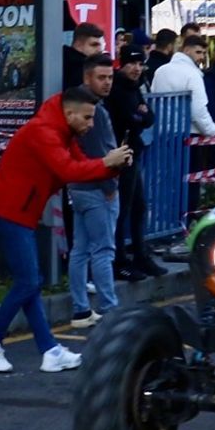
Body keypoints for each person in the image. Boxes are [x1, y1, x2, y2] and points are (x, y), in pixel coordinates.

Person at [0, 86, 134, 373]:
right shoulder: (45, 132)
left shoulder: (61, 130)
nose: (90, 124)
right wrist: (107, 163)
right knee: (28, 282)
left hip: (19, 211)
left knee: (30, 283)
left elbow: (80, 165)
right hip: (10, 211)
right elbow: (69, 171)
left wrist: (113, 167)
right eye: (86, 118)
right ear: (69, 113)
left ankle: (49, 350)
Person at [68, 54, 121, 328]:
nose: (107, 83)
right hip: (98, 187)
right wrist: (110, 185)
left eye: (110, 77)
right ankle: (110, 308)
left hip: (77, 186)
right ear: (88, 77)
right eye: (102, 77)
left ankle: (80, 309)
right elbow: (103, 153)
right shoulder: (95, 112)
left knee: (80, 249)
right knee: (103, 250)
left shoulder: (74, 106)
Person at [106, 46, 165, 280]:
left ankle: (140, 255)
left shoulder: (134, 87)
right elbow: (132, 118)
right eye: (133, 64)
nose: (137, 68)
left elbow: (148, 117)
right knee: (123, 209)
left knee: (138, 206)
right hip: (120, 155)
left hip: (132, 151)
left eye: (141, 64)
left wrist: (140, 115)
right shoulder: (118, 89)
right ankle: (120, 259)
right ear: (122, 64)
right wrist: (139, 115)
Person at [152, 34, 215, 216]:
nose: (201, 57)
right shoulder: (192, 74)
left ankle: (168, 220)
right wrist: (212, 131)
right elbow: (198, 110)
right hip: (189, 136)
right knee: (190, 183)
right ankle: (186, 220)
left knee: (167, 181)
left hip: (164, 134)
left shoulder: (161, 71)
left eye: (203, 53)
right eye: (198, 52)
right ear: (186, 50)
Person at [62, 22, 105, 90]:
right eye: (94, 45)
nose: (99, 49)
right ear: (78, 45)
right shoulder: (80, 71)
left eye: (100, 45)